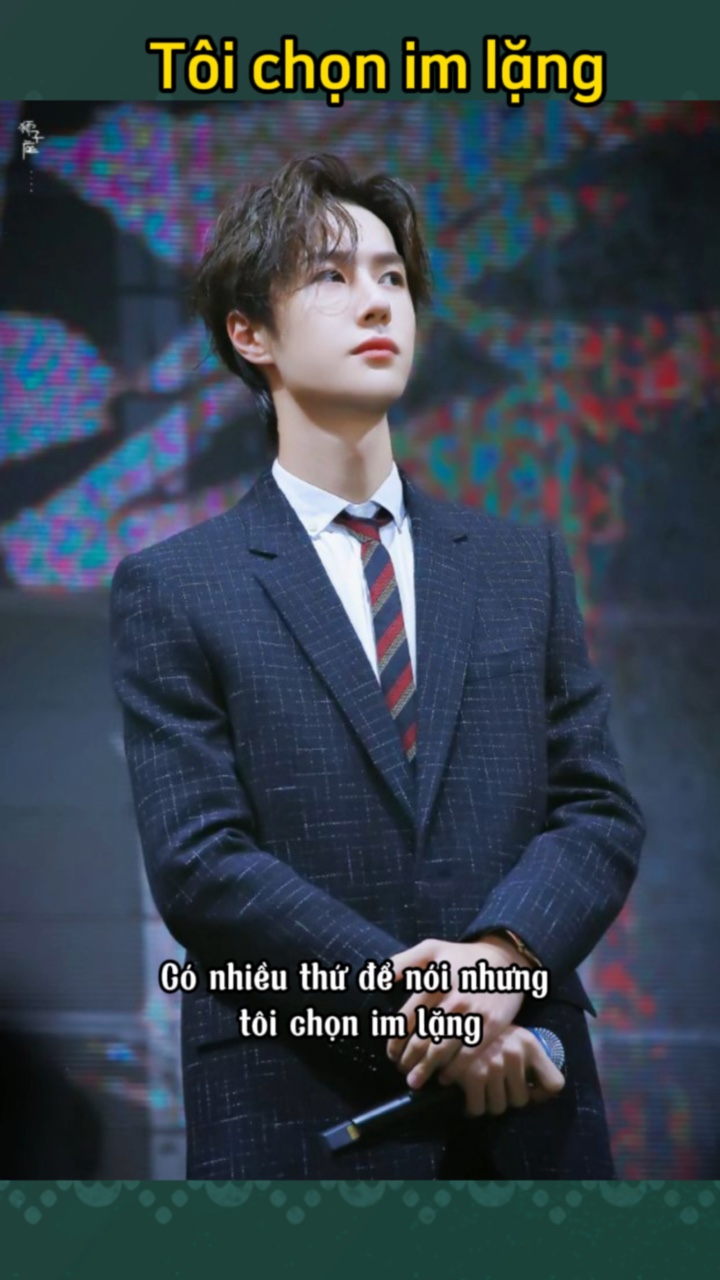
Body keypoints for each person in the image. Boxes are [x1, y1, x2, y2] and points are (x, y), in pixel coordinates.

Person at [110, 153, 646, 1179]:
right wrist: (429, 1009)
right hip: (300, 1099)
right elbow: (200, 860)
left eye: (392, 276)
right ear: (250, 334)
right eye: (331, 275)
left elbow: (597, 809)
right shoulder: (175, 584)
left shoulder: (520, 564)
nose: (376, 301)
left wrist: (501, 966)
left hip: (531, 1095)